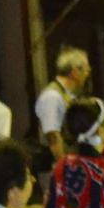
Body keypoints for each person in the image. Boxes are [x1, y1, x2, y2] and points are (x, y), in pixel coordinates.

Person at [32, 48, 92, 191]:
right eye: (85, 69)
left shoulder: (66, 94)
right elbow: (52, 136)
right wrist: (64, 166)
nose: (88, 73)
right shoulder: (52, 96)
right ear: (74, 71)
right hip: (53, 163)